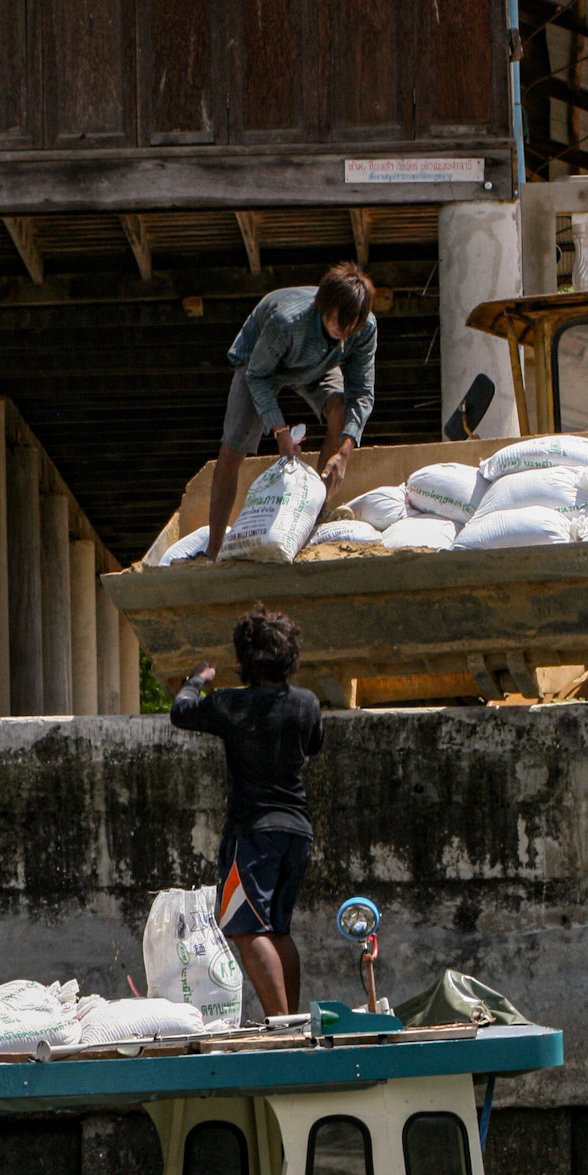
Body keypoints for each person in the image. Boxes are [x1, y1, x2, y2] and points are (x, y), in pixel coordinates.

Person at [170, 604, 323, 1020]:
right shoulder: (307, 703)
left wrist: (195, 680)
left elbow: (181, 712)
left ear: (243, 660)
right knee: (278, 930)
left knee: (244, 928)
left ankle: (283, 1027)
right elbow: (313, 745)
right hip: (297, 832)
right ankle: (292, 1022)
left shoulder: (230, 705)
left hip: (253, 834)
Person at [206, 261, 377, 561]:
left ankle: (314, 519)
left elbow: (362, 393)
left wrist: (345, 451)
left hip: (319, 366)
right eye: (337, 321)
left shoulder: (362, 329)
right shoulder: (287, 320)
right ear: (324, 306)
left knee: (339, 411)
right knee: (233, 450)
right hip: (261, 368)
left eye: (351, 327)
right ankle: (214, 548)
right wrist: (279, 430)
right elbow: (257, 376)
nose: (343, 332)